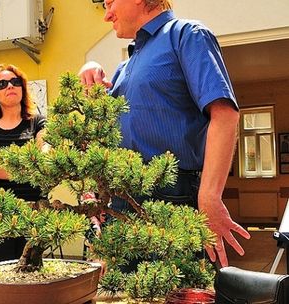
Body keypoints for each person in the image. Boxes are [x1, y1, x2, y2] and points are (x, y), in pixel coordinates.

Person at [78, 0, 250, 268]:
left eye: (109, 2)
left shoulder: (187, 35)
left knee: (175, 292)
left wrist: (209, 196)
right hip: (123, 196)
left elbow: (225, 114)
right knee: (124, 291)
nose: (106, 15)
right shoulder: (125, 67)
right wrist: (90, 70)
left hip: (173, 194)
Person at [0, 64, 47, 265]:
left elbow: (45, 157)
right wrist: (26, 169)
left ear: (22, 89)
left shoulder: (38, 121)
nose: (10, 86)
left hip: (33, 213)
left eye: (15, 82)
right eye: (2, 84)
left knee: (30, 277)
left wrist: (3, 166)